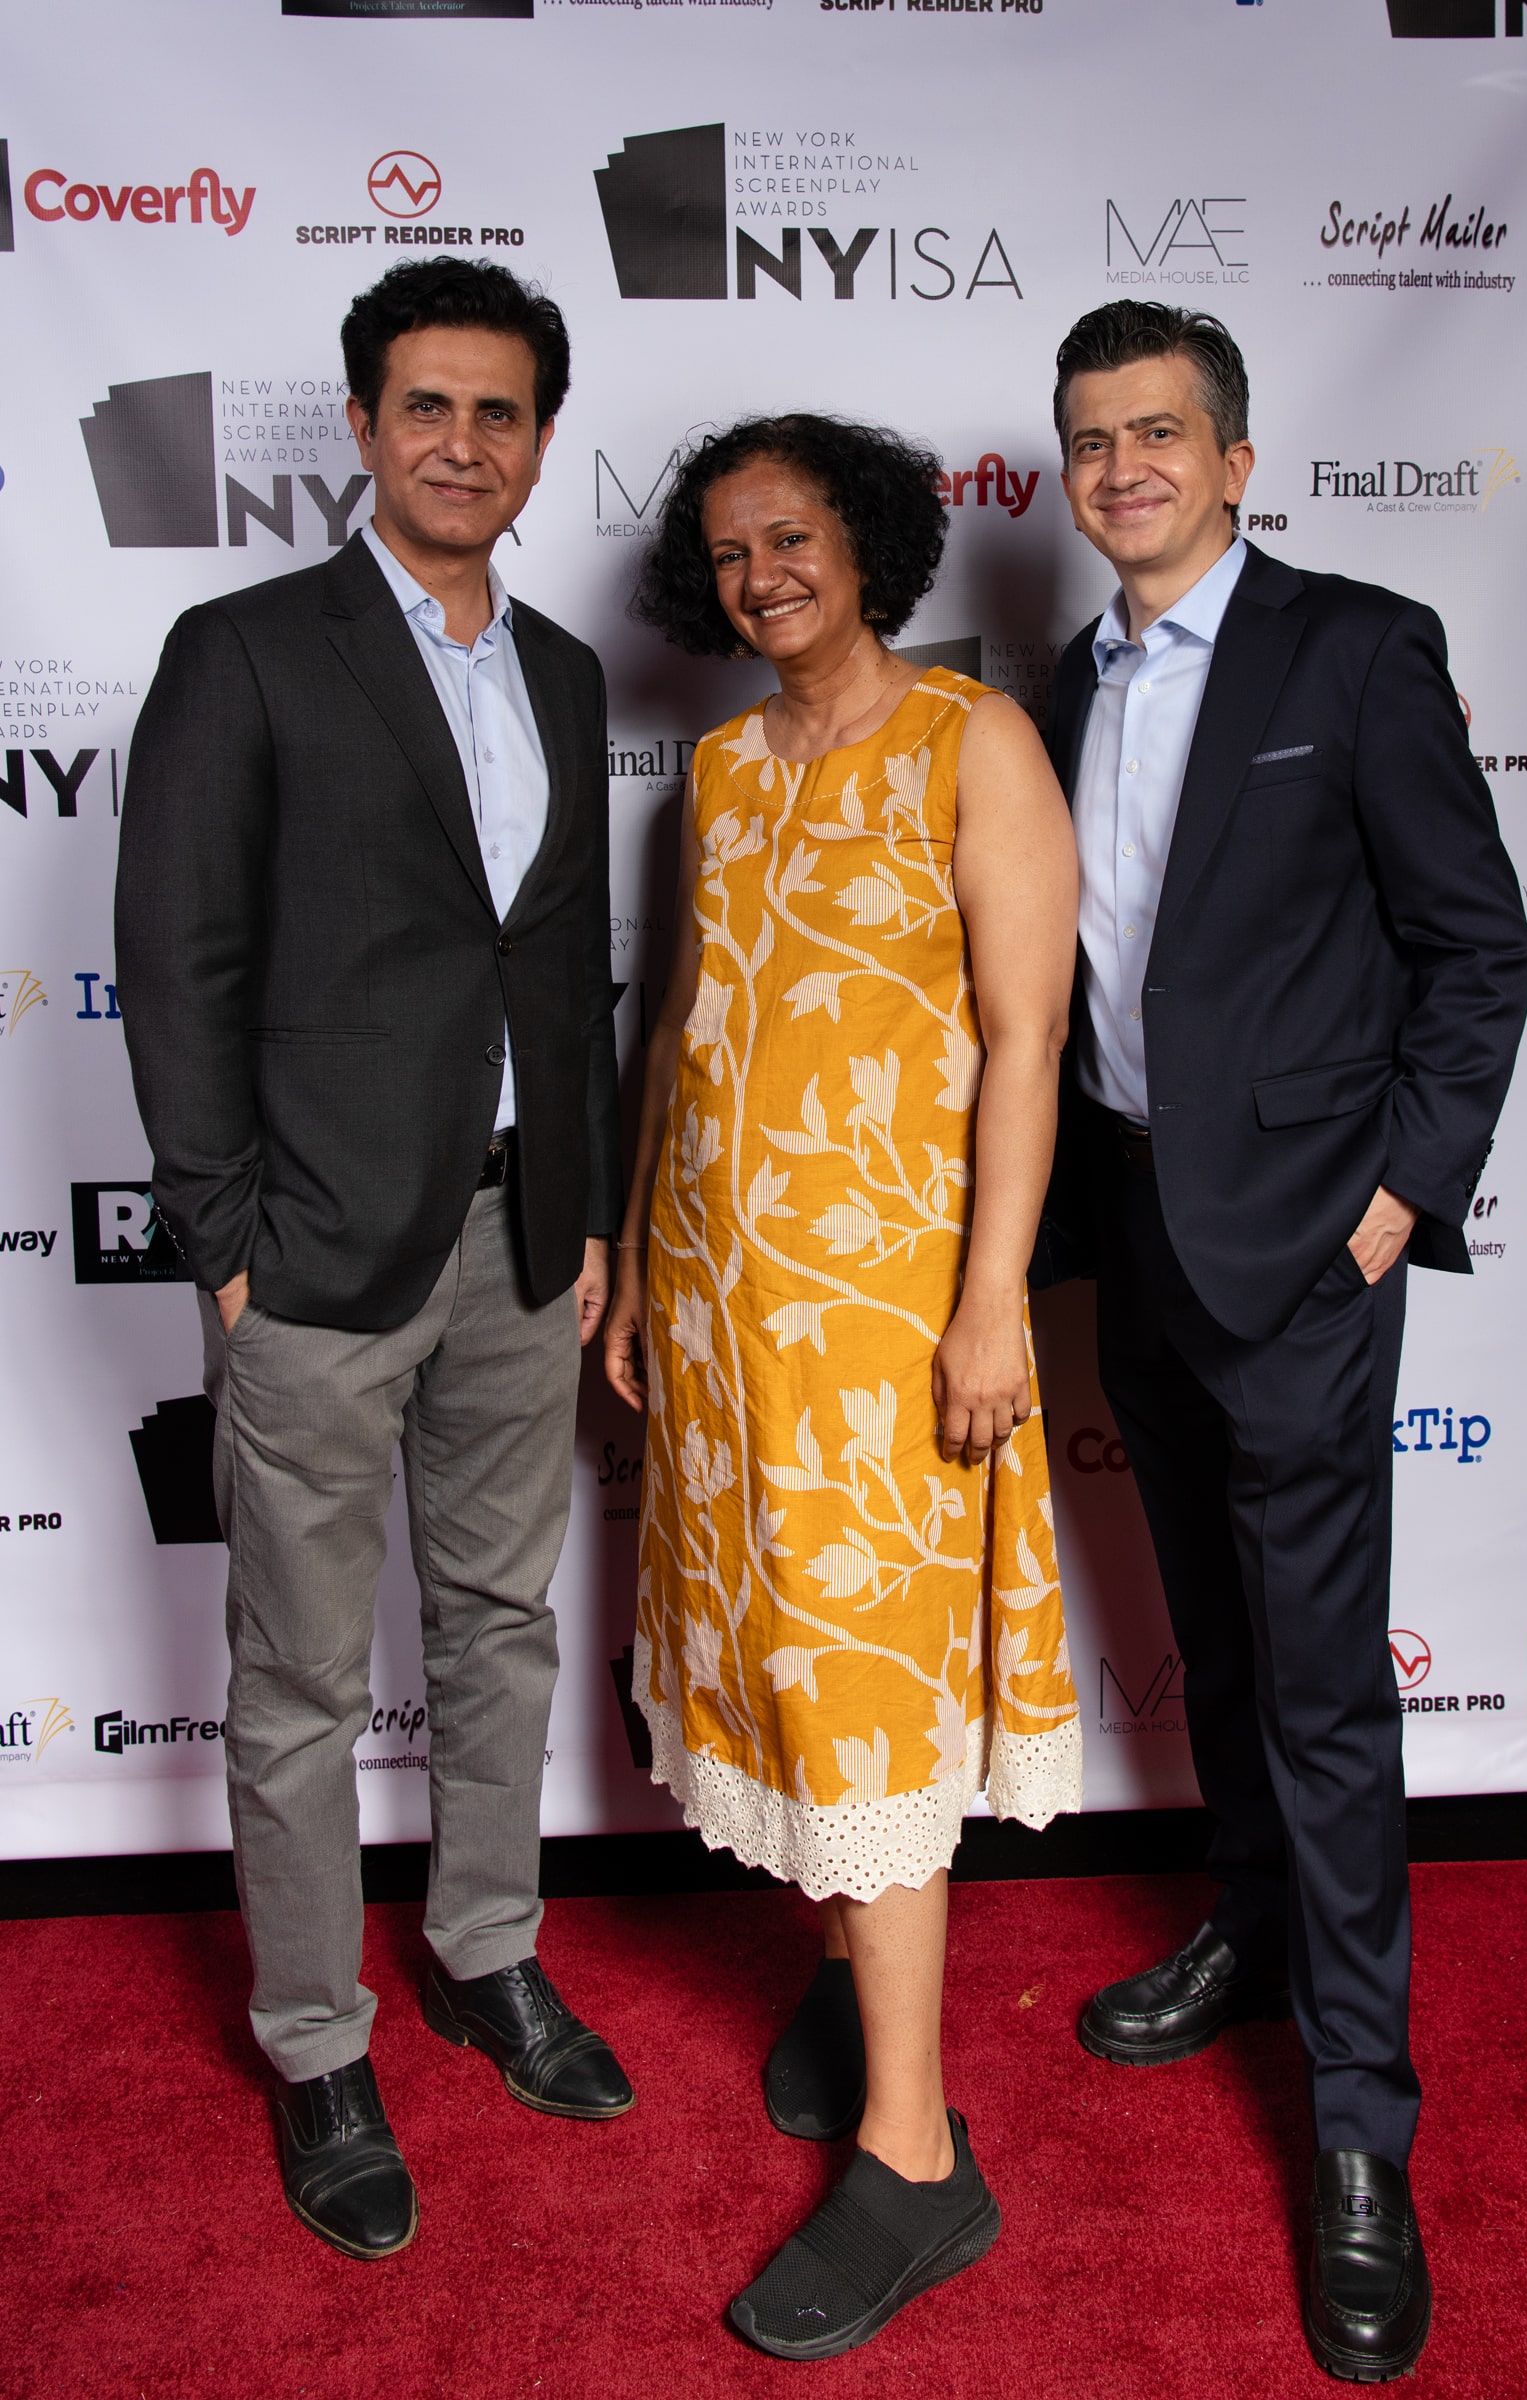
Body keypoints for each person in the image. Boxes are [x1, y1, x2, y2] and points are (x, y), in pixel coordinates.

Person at [1033, 301, 1527, 2382]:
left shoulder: (1354, 650)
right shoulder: (1060, 683)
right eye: (1091, 441)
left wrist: (1397, 1200)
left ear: (1234, 461)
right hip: (1133, 1231)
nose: (1122, 469)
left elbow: (1475, 945)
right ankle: (1248, 1926)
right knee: (1221, 1648)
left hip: (1310, 1254)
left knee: (1324, 1690)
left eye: (1158, 433)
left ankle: (1357, 2131)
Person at [115, 257, 634, 2262]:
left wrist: (586, 1208)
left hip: (522, 1234)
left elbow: (560, 972)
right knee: (301, 1679)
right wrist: (225, 1243)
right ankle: (317, 2041)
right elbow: (179, 962)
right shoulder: (244, 651)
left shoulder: (566, 672)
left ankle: (486, 1949)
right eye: (426, 405)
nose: (460, 442)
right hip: (316, 1254)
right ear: (360, 425)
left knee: (501, 1623)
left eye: (498, 411)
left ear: (539, 442)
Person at [603, 415, 1081, 2357]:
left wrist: (992, 1306)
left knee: (864, 1689)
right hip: (725, 1322)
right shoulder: (717, 772)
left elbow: (1026, 1039)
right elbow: (683, 1031)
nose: (762, 575)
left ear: (868, 543)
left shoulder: (974, 741)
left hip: (888, 1321)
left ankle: (915, 2156)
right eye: (730, 552)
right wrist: (641, 1259)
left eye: (791, 536)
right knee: (777, 1661)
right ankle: (842, 1979)